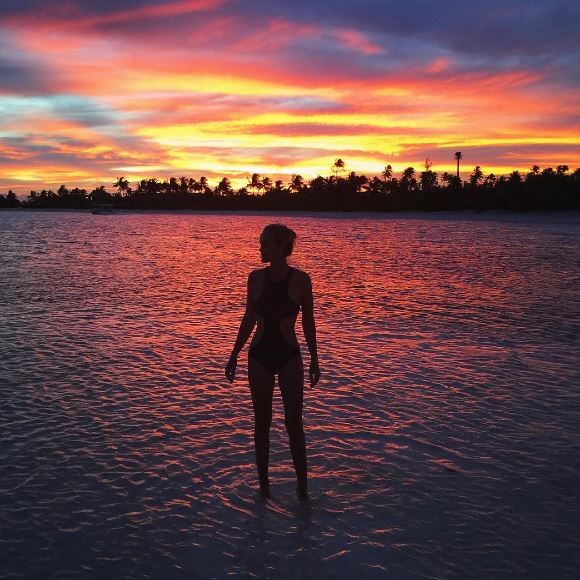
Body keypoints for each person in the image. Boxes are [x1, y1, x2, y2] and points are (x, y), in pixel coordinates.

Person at [225, 223, 320, 500]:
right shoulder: (254, 278)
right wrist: (233, 354)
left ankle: (303, 489)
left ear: (282, 247)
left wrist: (315, 358)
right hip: (259, 356)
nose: (260, 248)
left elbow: (309, 322)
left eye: (265, 243)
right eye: (260, 243)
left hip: (290, 356)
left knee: (294, 423)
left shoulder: (301, 280)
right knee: (261, 422)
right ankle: (264, 490)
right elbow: (248, 319)